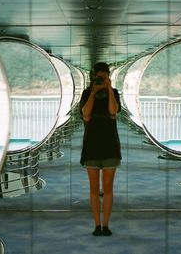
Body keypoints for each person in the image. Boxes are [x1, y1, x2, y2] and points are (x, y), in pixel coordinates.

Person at [79, 62, 122, 236]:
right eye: (99, 76)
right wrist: (94, 93)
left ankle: (106, 225)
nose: (101, 79)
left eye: (105, 76)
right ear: (93, 76)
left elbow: (113, 111)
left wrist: (110, 90)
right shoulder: (87, 93)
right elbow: (86, 115)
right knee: (94, 189)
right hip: (91, 146)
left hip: (110, 146)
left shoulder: (115, 93)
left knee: (108, 188)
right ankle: (97, 224)